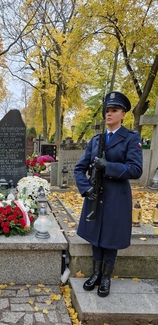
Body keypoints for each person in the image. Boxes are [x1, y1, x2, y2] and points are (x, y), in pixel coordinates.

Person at [74, 91, 143, 297]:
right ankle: (95, 274)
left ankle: (106, 278)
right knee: (96, 234)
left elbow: (135, 169)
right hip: (95, 194)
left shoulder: (131, 138)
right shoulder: (96, 140)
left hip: (116, 197)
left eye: (114, 110)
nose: (109, 114)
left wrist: (108, 166)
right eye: (107, 110)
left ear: (123, 114)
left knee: (111, 236)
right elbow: (79, 168)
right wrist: (85, 189)